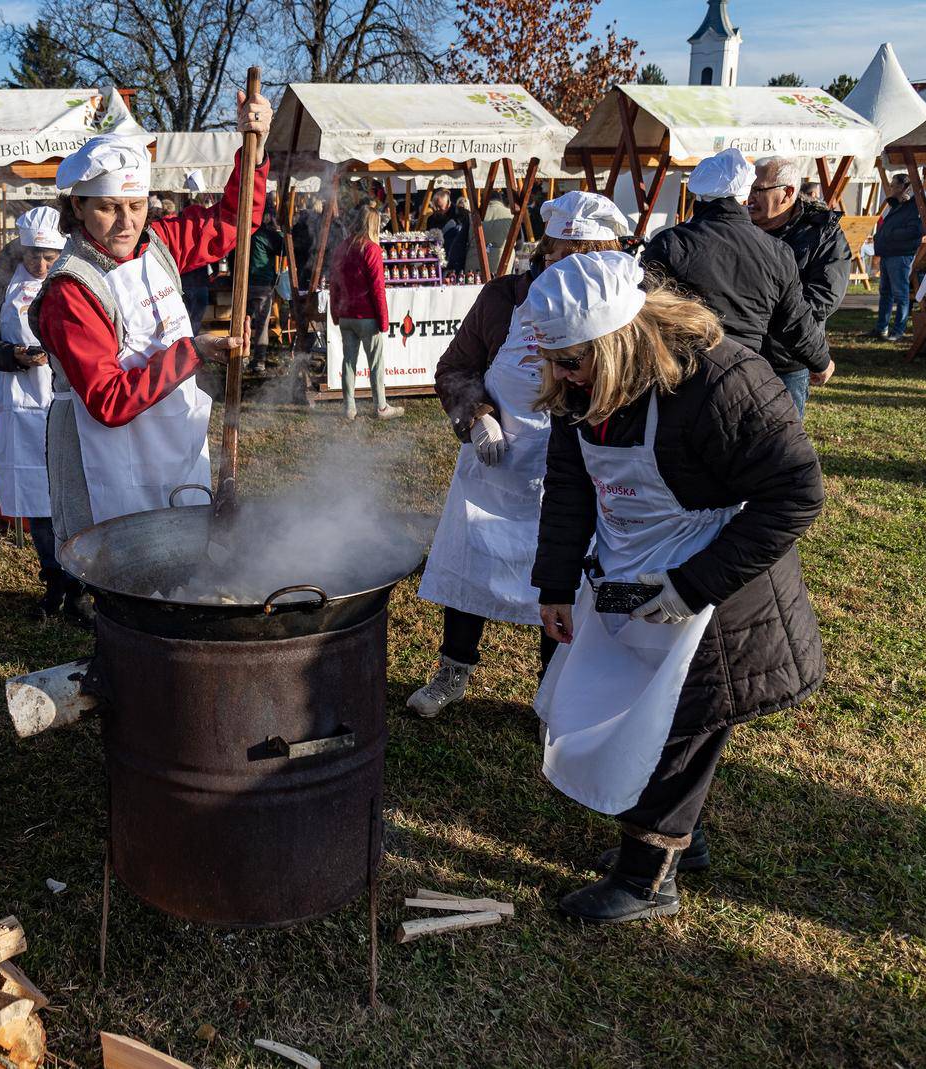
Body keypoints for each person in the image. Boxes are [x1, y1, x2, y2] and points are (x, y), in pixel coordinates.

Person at [528, 252, 824, 923]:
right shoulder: (581, 389)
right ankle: (673, 844)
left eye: (572, 362)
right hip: (634, 571)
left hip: (721, 588)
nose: (561, 379)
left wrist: (693, 587)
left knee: (681, 721)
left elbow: (798, 492)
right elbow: (572, 483)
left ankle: (647, 878)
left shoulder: (723, 380)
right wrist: (553, 580)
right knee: (632, 705)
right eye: (553, 363)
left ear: (618, 341)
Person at [409, 192, 626, 716]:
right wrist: (477, 415)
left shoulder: (616, 311)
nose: (568, 271)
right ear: (546, 251)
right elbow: (455, 367)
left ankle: (552, 692)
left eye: (583, 261)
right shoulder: (503, 298)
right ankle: (453, 670)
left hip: (569, 472)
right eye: (560, 257)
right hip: (495, 464)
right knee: (470, 569)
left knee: (561, 579)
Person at [30, 90, 271, 555]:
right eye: (109, 207)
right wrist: (193, 352)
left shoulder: (157, 243)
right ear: (78, 207)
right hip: (104, 452)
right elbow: (107, 401)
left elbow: (232, 221)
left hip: (170, 435)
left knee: (185, 548)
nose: (126, 223)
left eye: (136, 206)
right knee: (122, 566)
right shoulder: (71, 290)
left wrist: (254, 150)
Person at [0, 206, 82, 619]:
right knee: (37, 498)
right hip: (19, 401)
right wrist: (11, 354)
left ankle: (81, 585)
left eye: (50, 256)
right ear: (21, 247)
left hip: (69, 399)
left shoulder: (75, 277)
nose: (42, 265)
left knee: (73, 492)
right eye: (34, 255)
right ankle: (53, 582)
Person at [641, 148, 832, 381]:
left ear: (700, 196)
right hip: (744, 371)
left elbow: (644, 306)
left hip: (683, 370)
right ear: (745, 196)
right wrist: (821, 361)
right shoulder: (777, 251)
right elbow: (794, 319)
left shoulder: (670, 243)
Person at [748, 157, 848, 417]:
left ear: (788, 193)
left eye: (758, 189)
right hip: (741, 355)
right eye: (748, 188)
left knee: (782, 441)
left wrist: (763, 316)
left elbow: (823, 298)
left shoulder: (822, 234)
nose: (750, 197)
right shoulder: (740, 229)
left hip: (787, 359)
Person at [330, 203, 402, 421]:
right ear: (374, 224)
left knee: (348, 362)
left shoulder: (342, 247)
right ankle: (381, 406)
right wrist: (384, 320)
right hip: (367, 316)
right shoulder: (372, 249)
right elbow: (377, 287)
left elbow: (334, 283)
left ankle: (349, 408)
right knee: (376, 364)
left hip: (346, 315)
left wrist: (335, 312)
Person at [873, 173, 924, 341]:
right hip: (889, 253)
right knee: (885, 293)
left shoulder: (913, 207)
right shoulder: (896, 206)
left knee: (900, 294)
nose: (891, 188)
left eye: (894, 185)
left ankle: (898, 331)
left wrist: (891, 234)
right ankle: (882, 328)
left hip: (900, 255)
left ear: (903, 187)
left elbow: (916, 230)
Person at [245, 201, 287, 369]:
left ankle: (242, 356)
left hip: (245, 283)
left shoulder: (246, 231)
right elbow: (283, 248)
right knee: (261, 325)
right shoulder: (264, 234)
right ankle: (259, 360)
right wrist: (278, 229)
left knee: (244, 321)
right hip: (262, 284)